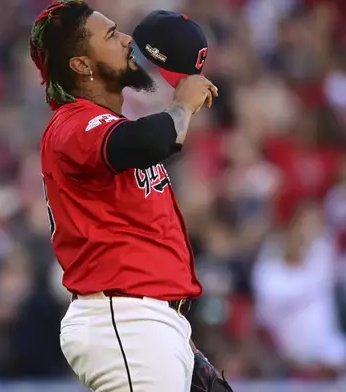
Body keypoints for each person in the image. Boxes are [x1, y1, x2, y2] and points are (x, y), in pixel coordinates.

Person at [28, 1, 222, 391]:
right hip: (126, 320)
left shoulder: (105, 123)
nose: (128, 40)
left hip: (148, 323)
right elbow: (150, 140)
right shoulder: (73, 123)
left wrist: (181, 340)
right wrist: (182, 105)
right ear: (82, 65)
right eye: (112, 35)